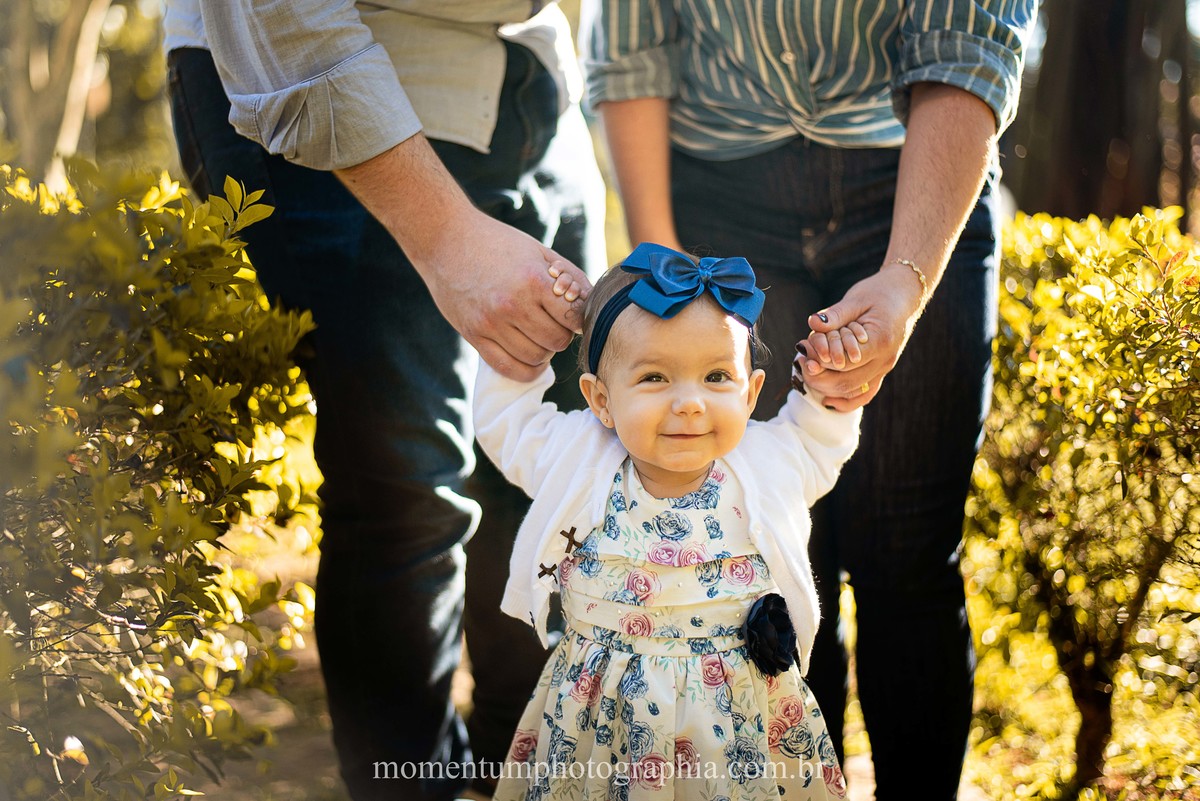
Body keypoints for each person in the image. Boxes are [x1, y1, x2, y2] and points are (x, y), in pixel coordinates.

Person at [583, 2, 1038, 797]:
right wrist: (667, 272)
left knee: (910, 559)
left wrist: (909, 276)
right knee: (769, 563)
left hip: (917, 176)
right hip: (719, 193)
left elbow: (971, 41)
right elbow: (632, 49)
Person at [162, 2, 606, 799]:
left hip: (533, 80)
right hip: (323, 82)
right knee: (406, 494)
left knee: (557, 469)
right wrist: (447, 237)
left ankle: (531, 773)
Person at [473, 243, 862, 799]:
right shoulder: (576, 459)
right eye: (655, 377)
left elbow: (822, 437)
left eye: (716, 377)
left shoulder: (769, 461)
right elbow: (508, 423)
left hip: (738, 725)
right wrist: (528, 339)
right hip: (602, 722)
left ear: (752, 392)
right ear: (601, 401)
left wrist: (832, 385)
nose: (689, 403)